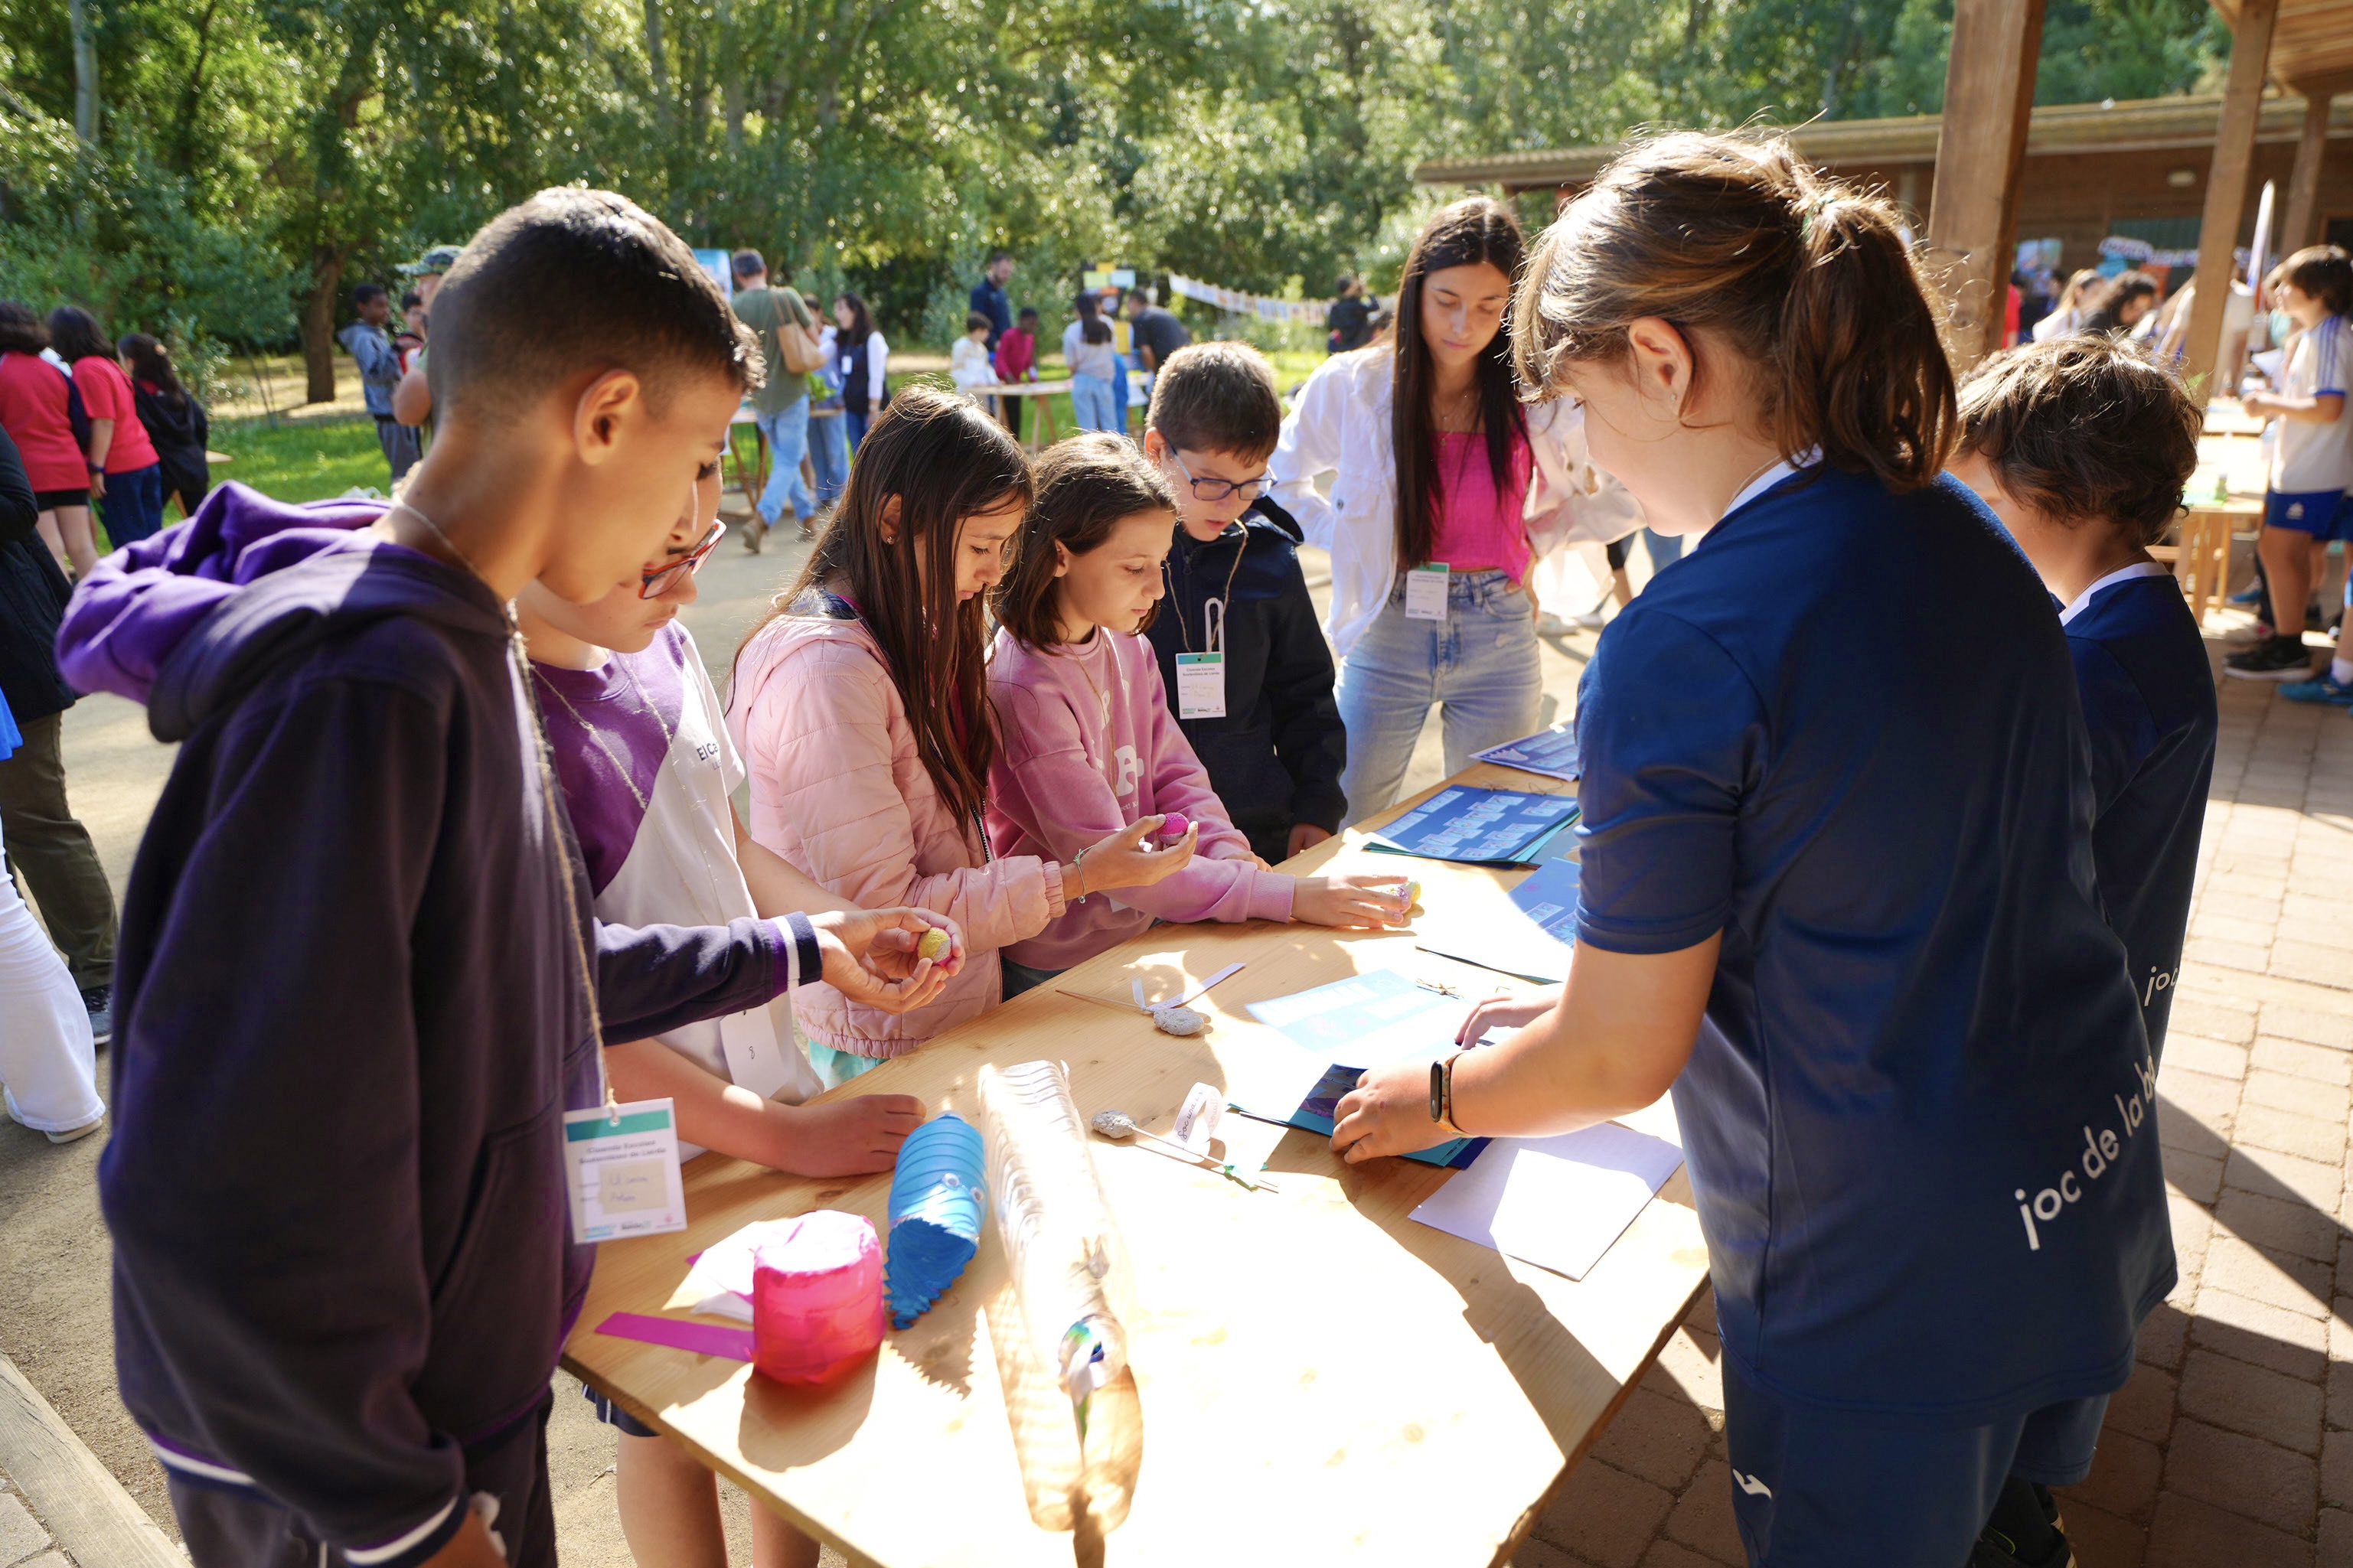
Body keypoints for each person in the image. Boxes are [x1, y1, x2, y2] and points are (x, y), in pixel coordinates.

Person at [54, 187, 951, 1568]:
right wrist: (406, 1520)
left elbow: (532, 964)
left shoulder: (467, 645)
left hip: (447, 1409)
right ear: (600, 417)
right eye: (700, 453)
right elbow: (199, 1193)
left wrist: (795, 946)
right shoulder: (368, 684)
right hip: (345, 1482)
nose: (695, 516)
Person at [1332, 134, 2171, 1568]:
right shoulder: (1965, 536)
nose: (1577, 449)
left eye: (1579, 400)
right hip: (2069, 1172)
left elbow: (1616, 1061)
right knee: (2005, 1527)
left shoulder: (1684, 634)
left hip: (1878, 1273)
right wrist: (1576, 1003)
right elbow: (1871, 865)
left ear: (1660, 361)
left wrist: (1441, 1089)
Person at [523, 473, 942, 1568]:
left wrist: (834, 925)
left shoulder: (658, 639)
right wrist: (782, 1135)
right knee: (667, 1418)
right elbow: (583, 1020)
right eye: (663, 555)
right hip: (652, 1158)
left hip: (768, 1090)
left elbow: (726, 844)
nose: (694, 573)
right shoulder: (499, 732)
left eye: (704, 522)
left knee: (789, 1369)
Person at [729, 389, 1193, 1082]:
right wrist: (1080, 878)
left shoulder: (905, 628)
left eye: (1007, 546)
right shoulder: (827, 673)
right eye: (981, 545)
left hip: (946, 1010)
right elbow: (889, 917)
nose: (995, 572)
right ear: (893, 518)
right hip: (886, 1037)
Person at [1267, 195, 1644, 823]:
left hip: (1499, 629)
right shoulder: (1356, 385)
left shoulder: (1539, 399)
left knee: (1495, 829)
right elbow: (1277, 479)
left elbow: (1628, 488)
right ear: (1414, 289)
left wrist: (1539, 537)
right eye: (1446, 301)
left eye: (1490, 307)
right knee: (1342, 818)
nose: (1465, 325)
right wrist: (1356, 538)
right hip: (1388, 629)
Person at [986, 432, 1410, 991]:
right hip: (1057, 963)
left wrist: (1232, 855)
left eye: (1161, 562)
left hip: (1143, 932)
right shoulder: (1025, 687)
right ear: (1060, 554)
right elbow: (1121, 866)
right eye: (1134, 566)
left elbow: (1176, 773)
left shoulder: (1126, 642)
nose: (1156, 588)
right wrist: (1287, 895)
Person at [1952, 337, 2214, 1066]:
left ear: (2079, 489)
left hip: (2058, 1034)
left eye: (1983, 502)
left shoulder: (2100, 662)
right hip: (2112, 1004)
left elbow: (1999, 846)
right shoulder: (2136, 620)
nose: (1970, 526)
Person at [1138, 342, 1346, 865]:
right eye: (1210, 482)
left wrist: (1316, 806)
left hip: (1257, 829)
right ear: (1157, 449)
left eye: (1251, 481)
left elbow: (1306, 693)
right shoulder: (1117, 559)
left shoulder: (1271, 559)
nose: (1231, 503)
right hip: (1143, 836)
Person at [0, 401, 119, 1049]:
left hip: (8, 655)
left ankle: (102, 973)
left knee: (33, 816)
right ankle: (25, 991)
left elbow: (18, 507)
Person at [2226, 246, 2353, 681]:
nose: (2277, 291)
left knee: (2278, 551)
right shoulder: (2318, 334)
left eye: (2287, 283)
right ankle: (2289, 637)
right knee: (2285, 552)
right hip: (2307, 465)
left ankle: (2289, 647)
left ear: (2316, 290)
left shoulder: (2331, 335)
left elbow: (2328, 407)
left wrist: (2267, 403)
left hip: (2317, 468)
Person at [50, 306, 167, 550]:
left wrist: (96, 468)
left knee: (130, 545)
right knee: (154, 542)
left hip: (119, 468)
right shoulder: (109, 364)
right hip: (144, 459)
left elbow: (104, 421)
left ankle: (139, 588)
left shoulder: (87, 369)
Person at [730, 249, 821, 551]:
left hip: (759, 396)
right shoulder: (787, 297)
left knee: (785, 457)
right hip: (792, 391)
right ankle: (762, 519)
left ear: (739, 276)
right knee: (787, 458)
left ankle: (808, 518)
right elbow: (815, 339)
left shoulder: (734, 306)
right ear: (764, 269)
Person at [0, 303, 99, 578]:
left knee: (51, 548)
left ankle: (62, 617)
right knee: (83, 547)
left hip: (31, 469)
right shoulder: (54, 370)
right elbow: (80, 423)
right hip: (69, 464)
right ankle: (105, 605)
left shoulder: (2, 370)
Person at [118, 333, 210, 519]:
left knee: (147, 526)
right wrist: (196, 451)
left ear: (130, 363)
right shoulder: (177, 389)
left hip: (160, 470)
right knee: (203, 525)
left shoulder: (134, 394)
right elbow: (201, 424)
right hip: (193, 465)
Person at [340, 283, 420, 485]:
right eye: (379, 306)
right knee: (405, 474)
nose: (386, 311)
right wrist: (396, 350)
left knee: (415, 467)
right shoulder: (364, 338)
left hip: (397, 412)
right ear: (362, 307)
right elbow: (374, 373)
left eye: (387, 306)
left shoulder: (377, 334)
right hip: (388, 415)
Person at [390, 242, 463, 444]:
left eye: (423, 281)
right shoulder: (492, 331)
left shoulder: (447, 339)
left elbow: (406, 411)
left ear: (449, 282)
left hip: (455, 472)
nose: (417, 291)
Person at [804, 292, 850, 504]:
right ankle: (823, 493)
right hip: (811, 401)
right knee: (817, 449)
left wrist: (842, 393)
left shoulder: (832, 336)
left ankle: (843, 494)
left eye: (810, 313)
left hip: (834, 400)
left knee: (835, 450)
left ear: (819, 313)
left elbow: (841, 368)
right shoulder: (800, 337)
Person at [832, 292, 889, 453]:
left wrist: (874, 409)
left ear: (855, 311)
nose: (838, 315)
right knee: (858, 455)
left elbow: (876, 376)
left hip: (870, 409)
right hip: (852, 408)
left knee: (875, 454)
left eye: (842, 309)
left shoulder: (873, 339)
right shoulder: (844, 340)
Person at [1063, 292, 1119, 434]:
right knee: (1110, 427)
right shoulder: (1107, 324)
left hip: (1082, 380)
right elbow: (1113, 350)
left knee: (1088, 430)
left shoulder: (1072, 331)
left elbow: (1071, 365)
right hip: (1104, 379)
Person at [1123, 288, 1190, 400]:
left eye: (1128, 303)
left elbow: (1146, 351)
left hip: (1168, 366)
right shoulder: (1162, 312)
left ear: (1134, 302)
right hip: (1186, 362)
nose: (1127, 309)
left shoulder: (1141, 318)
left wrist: (1156, 374)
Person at [992, 305, 1040, 444]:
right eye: (1031, 323)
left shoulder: (1030, 338)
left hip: (1016, 384)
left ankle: (1016, 444)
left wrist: (1033, 381)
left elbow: (1029, 363)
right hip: (1003, 383)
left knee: (1016, 418)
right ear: (1022, 320)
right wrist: (1008, 376)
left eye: (1035, 325)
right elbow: (1000, 359)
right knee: (1003, 418)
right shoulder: (1009, 335)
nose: (1033, 327)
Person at [2077, 269, 2160, 336]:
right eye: (2133, 307)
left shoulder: (2130, 329)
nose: (2137, 314)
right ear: (2120, 300)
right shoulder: (2098, 320)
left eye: (2142, 310)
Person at [2031, 267, 2103, 343]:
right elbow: (2041, 334)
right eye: (2095, 293)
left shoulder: (2094, 317)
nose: (2099, 298)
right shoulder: (2064, 316)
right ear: (2080, 292)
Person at [970, 249, 1013, 352]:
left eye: (1009, 273)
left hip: (1004, 350)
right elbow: (978, 322)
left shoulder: (1002, 293)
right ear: (993, 268)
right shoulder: (980, 293)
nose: (1007, 276)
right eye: (1004, 272)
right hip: (986, 351)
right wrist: (994, 343)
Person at [950, 311, 997, 399]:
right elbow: (957, 371)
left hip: (982, 394)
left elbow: (986, 368)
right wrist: (974, 382)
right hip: (965, 394)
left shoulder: (982, 348)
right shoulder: (961, 346)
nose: (987, 335)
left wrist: (995, 381)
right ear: (978, 330)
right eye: (986, 331)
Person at [1327, 274, 1373, 354]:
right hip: (1360, 345)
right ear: (1350, 288)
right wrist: (1367, 292)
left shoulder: (1336, 307)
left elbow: (1331, 327)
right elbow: (1375, 306)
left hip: (1342, 346)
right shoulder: (1358, 306)